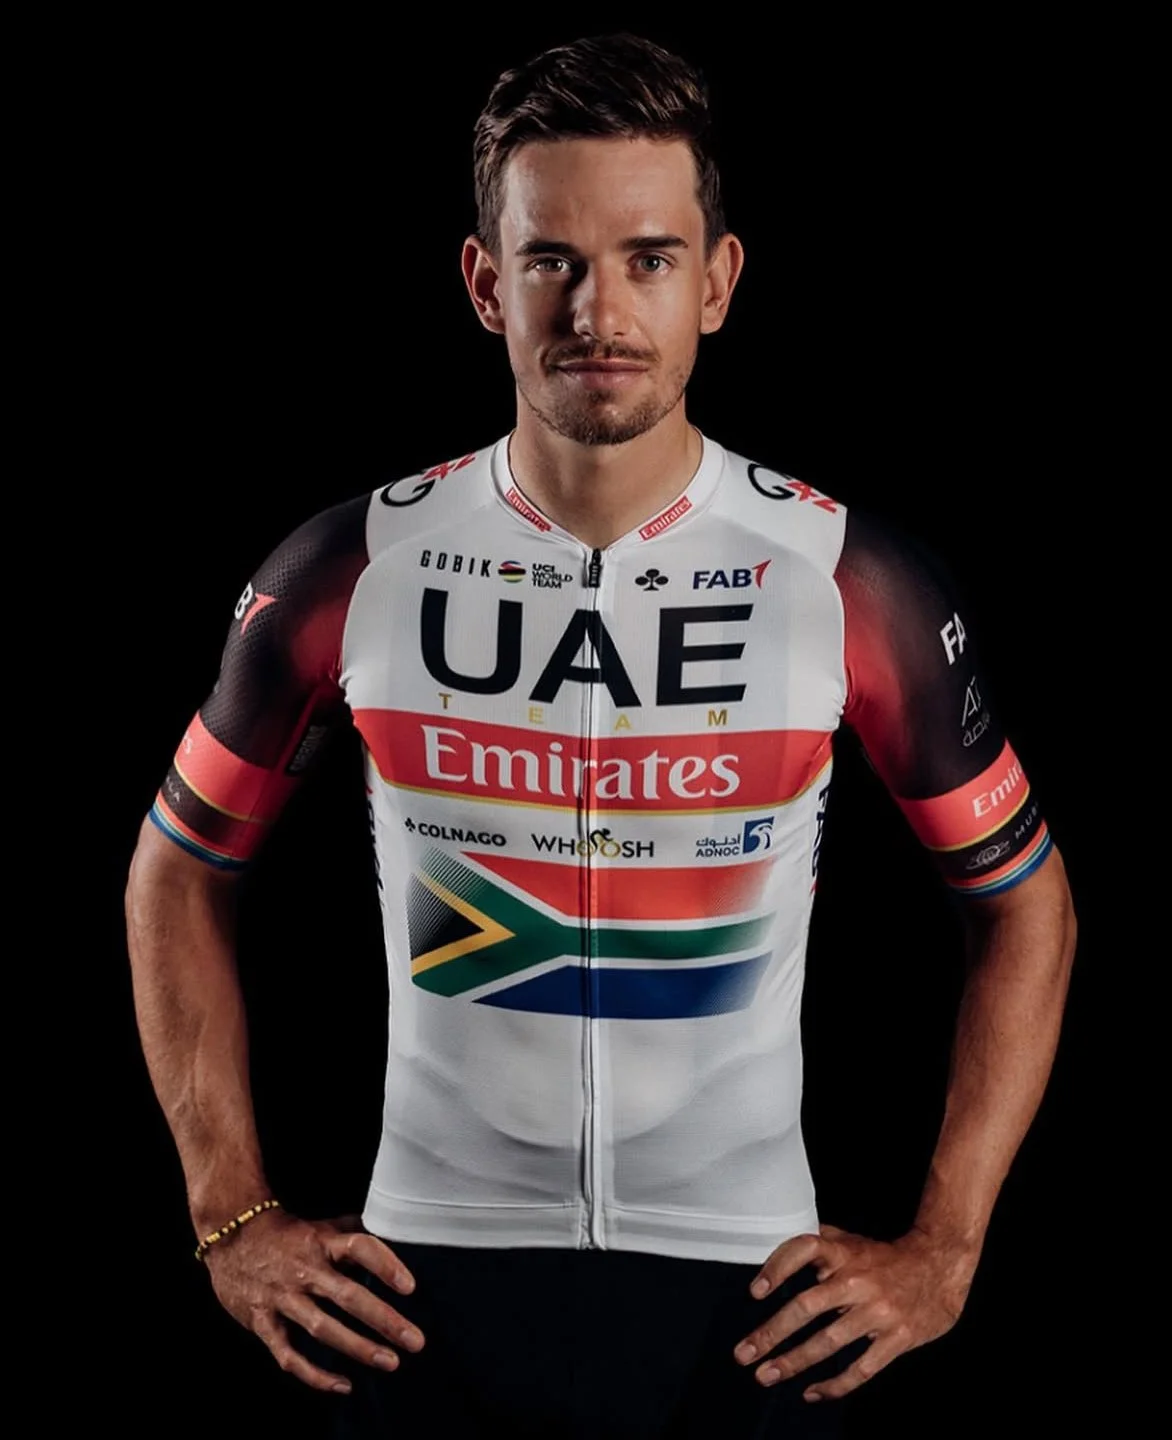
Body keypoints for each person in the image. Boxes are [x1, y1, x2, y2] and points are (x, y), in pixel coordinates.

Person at [124, 32, 1076, 1439]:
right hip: (420, 1284)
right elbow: (175, 871)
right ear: (483, 283)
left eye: (647, 258)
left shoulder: (845, 580)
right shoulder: (350, 567)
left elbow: (1026, 904)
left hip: (753, 1301)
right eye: (552, 260)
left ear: (718, 282)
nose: (598, 310)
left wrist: (946, 1245)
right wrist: (230, 1212)